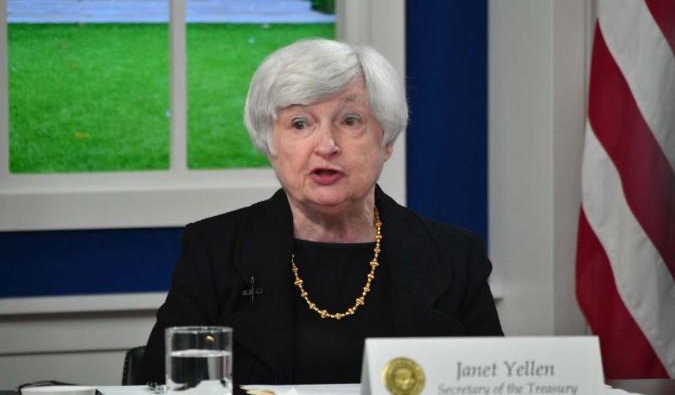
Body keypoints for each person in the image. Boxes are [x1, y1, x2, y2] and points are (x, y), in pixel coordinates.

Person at [139, 38, 502, 387]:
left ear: (387, 141)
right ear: (270, 144)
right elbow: (159, 384)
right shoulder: (213, 250)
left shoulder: (455, 256)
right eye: (300, 124)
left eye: (350, 120)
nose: (327, 145)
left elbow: (491, 386)